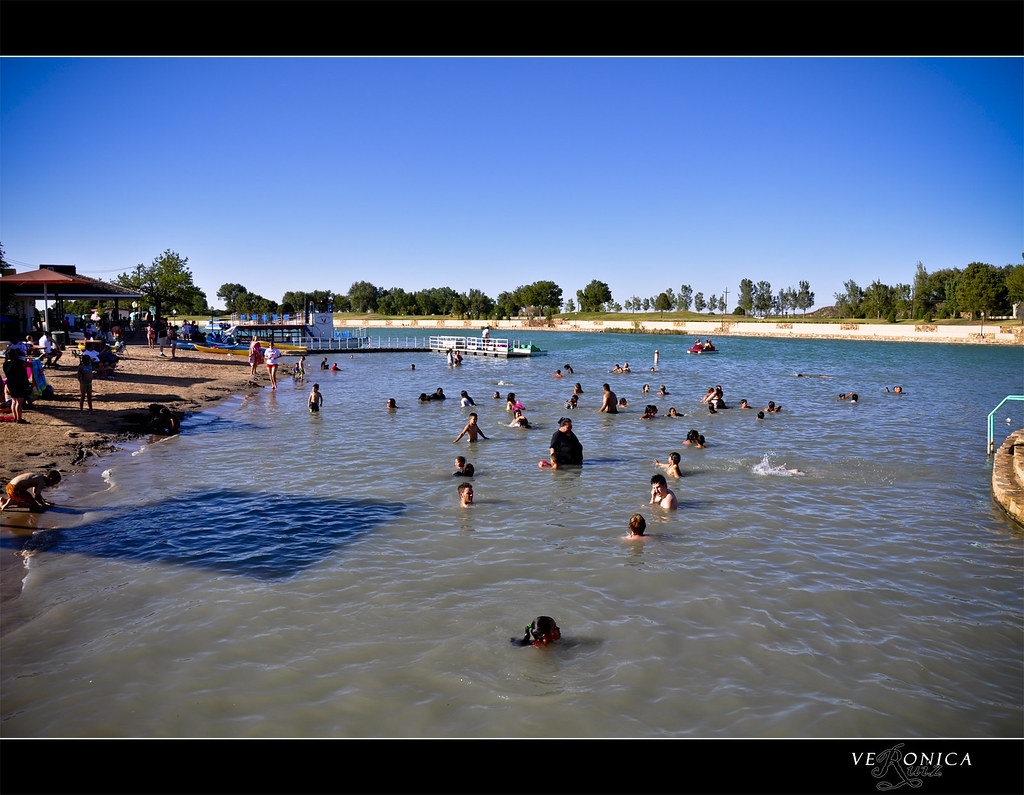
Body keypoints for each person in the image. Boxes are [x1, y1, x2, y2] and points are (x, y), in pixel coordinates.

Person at [3, 346, 30, 423]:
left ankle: (15, 417)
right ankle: (19, 418)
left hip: (10, 383)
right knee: (19, 402)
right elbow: (29, 364)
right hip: (19, 384)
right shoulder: (18, 363)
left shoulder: (5, 364)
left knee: (14, 401)